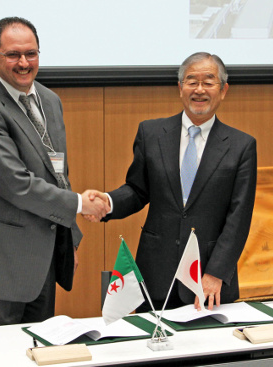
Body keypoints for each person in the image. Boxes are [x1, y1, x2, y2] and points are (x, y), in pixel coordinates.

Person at [0, 16, 108, 328]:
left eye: (31, 54)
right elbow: (15, 184)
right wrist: (79, 205)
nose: (24, 63)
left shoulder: (49, 100)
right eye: (13, 55)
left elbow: (58, 173)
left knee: (38, 353)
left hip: (42, 263)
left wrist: (69, 237)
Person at [85, 52, 257, 311]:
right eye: (191, 81)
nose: (199, 90)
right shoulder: (151, 133)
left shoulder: (241, 146)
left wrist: (216, 273)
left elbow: (238, 219)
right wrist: (108, 202)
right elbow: (137, 190)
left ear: (223, 90)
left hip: (208, 281)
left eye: (208, 82)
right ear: (180, 88)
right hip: (155, 275)